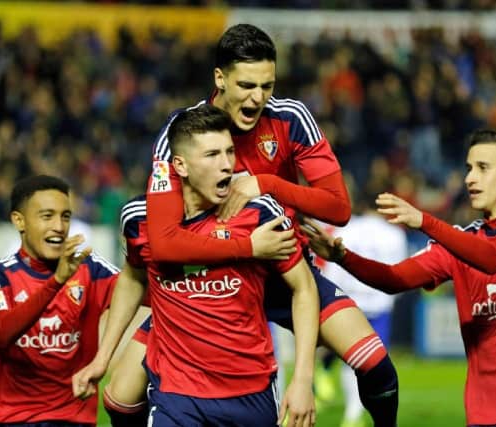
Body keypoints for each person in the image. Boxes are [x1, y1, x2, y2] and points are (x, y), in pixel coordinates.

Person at [102, 23, 398, 427]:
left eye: (267, 85)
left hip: (281, 268)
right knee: (119, 399)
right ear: (219, 78)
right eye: (246, 85)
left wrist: (267, 184)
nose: (258, 97)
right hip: (210, 283)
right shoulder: (184, 133)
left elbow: (338, 207)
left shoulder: (290, 118)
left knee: (377, 365)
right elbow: (166, 234)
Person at [303, 128, 496, 427]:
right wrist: (343, 257)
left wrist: (425, 221)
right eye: (469, 168)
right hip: (484, 415)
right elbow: (394, 279)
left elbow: (494, 259)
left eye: (483, 168)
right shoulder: (460, 240)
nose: (470, 178)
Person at [74, 105, 319, 427]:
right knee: (119, 400)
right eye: (212, 155)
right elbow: (133, 279)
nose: (227, 165)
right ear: (181, 165)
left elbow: (304, 288)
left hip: (250, 391)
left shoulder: (258, 214)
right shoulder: (139, 219)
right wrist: (102, 358)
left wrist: (302, 379)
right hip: (176, 395)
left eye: (230, 152)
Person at [0, 174, 119, 426]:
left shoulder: (91, 269)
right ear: (19, 221)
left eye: (65, 216)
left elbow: (154, 296)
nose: (60, 227)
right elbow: (1, 333)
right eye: (47, 216)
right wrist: (56, 282)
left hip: (71, 419)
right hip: (6, 419)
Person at [317, 192, 408, 427]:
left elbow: (332, 271)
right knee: (370, 363)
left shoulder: (346, 231)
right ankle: (353, 414)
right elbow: (400, 270)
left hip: (349, 303)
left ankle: (327, 377)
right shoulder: (394, 234)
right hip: (379, 304)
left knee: (351, 360)